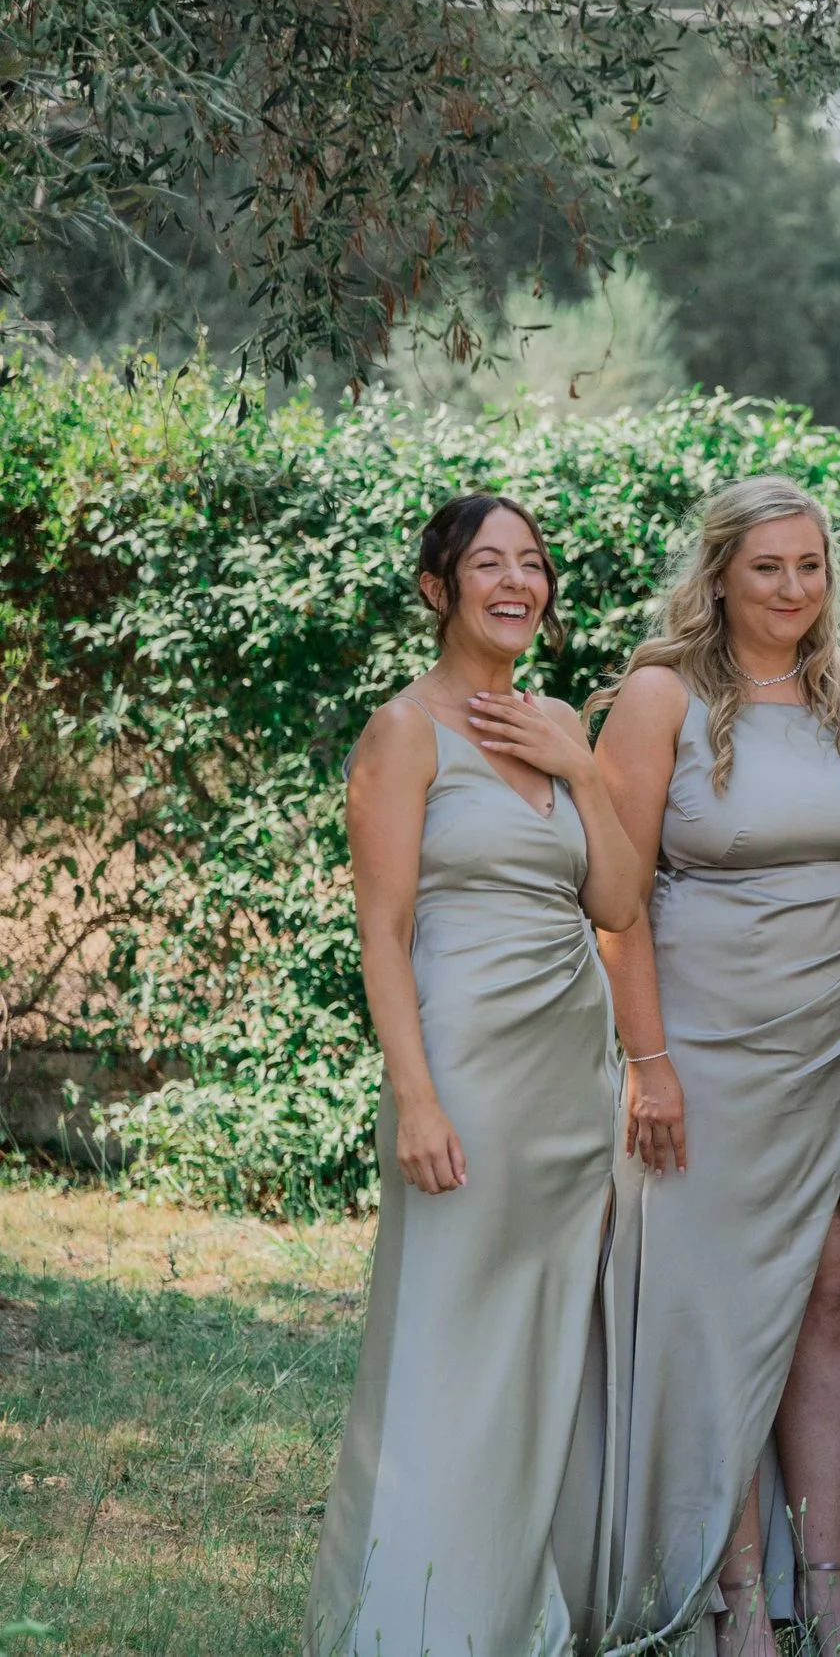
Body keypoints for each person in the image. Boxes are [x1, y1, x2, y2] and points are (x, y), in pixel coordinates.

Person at [589, 477, 840, 1657]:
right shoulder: (659, 698)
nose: (794, 589)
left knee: (832, 1288)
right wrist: (649, 1063)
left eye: (812, 566)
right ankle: (735, 1592)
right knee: (716, 1305)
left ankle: (828, 1587)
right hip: (704, 1039)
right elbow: (615, 898)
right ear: (720, 573)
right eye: (769, 567)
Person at [307, 495, 643, 1657]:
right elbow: (383, 929)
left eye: (533, 563)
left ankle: (511, 1610)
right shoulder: (405, 732)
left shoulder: (554, 717)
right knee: (447, 1332)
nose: (517, 581)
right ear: (437, 587)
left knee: (542, 1340)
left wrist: (582, 772)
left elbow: (615, 901)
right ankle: (412, 1621)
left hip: (568, 1072)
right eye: (487, 563)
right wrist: (417, 1096)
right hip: (466, 1061)